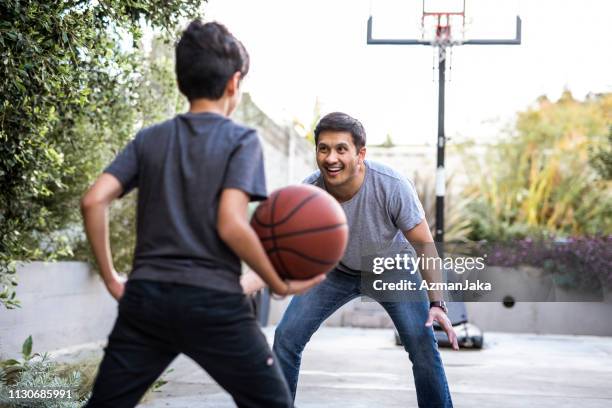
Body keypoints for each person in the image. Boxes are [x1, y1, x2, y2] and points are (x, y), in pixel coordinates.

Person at [81, 20, 323, 408]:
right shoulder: (240, 139)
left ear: (182, 81)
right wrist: (276, 280)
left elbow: (93, 200)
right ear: (234, 84)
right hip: (213, 303)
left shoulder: (150, 138)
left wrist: (111, 278)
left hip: (147, 301)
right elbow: (231, 223)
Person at [245, 112, 458, 407]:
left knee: (422, 345)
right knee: (286, 338)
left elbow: (424, 245)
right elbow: (284, 245)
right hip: (336, 269)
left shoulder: (391, 185)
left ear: (361, 154)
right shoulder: (309, 192)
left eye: (341, 149)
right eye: (323, 148)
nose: (331, 158)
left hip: (391, 268)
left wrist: (437, 303)